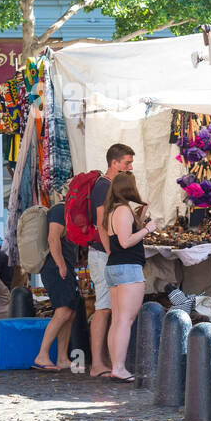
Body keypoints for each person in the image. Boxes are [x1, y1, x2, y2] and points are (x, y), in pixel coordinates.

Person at [102, 172, 156, 383]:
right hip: (128, 269)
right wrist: (148, 229)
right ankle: (119, 367)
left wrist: (140, 219)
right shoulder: (123, 210)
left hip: (115, 267)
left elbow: (120, 237)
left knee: (117, 320)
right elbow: (126, 241)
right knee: (125, 320)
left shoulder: (112, 210)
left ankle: (116, 364)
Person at [88, 144, 135, 379]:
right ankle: (97, 363)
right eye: (127, 162)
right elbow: (100, 223)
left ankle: (108, 361)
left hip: (105, 254)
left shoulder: (110, 187)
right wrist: (110, 253)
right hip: (101, 254)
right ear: (114, 163)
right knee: (103, 308)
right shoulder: (103, 186)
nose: (130, 167)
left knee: (112, 310)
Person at [33, 184, 79, 371]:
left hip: (63, 267)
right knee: (63, 312)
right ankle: (42, 355)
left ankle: (62, 357)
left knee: (70, 312)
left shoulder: (67, 211)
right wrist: (61, 265)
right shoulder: (60, 210)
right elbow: (53, 239)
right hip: (56, 268)